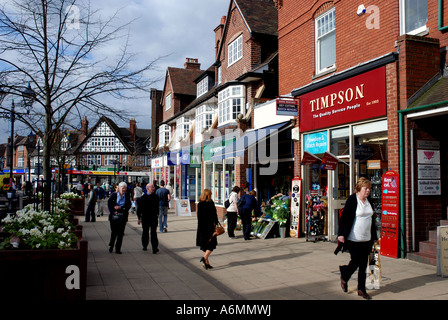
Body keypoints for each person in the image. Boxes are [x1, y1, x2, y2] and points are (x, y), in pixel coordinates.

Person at [337, 177, 378, 300]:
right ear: (359, 189)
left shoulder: (369, 200)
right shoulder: (352, 200)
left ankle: (361, 289)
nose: (368, 191)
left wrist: (375, 236)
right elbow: (344, 218)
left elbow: (372, 219)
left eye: (369, 189)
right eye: (366, 189)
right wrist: (341, 234)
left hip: (367, 238)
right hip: (354, 238)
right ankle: (344, 275)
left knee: (363, 264)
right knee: (355, 261)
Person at [196, 189, 218, 270]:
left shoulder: (200, 204)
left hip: (201, 227)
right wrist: (216, 222)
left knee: (204, 245)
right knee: (212, 244)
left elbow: (198, 216)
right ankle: (204, 258)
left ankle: (207, 263)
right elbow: (214, 215)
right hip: (209, 227)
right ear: (208, 195)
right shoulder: (210, 203)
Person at [107, 181, 132, 254]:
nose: (124, 190)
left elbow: (128, 205)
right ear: (119, 188)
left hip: (122, 216)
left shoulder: (127, 196)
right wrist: (113, 210)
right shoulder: (114, 195)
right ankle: (111, 245)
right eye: (122, 188)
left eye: (125, 188)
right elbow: (109, 204)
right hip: (114, 216)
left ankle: (118, 248)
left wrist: (121, 207)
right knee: (114, 232)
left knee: (121, 233)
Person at [137, 183, 159, 253]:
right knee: (145, 232)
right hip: (145, 217)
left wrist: (157, 213)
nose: (153, 189)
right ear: (147, 189)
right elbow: (139, 208)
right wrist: (139, 218)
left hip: (153, 217)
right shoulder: (143, 197)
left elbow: (157, 206)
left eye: (153, 187)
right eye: (152, 187)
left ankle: (155, 248)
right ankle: (145, 245)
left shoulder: (156, 197)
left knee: (153, 233)